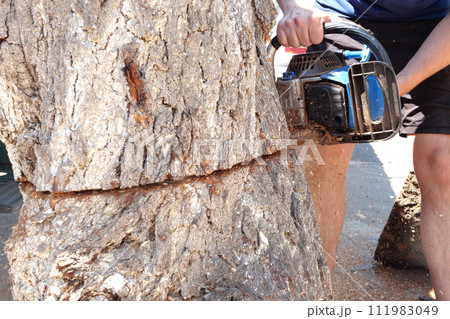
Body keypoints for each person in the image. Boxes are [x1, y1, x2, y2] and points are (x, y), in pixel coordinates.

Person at [275, 0, 450, 300]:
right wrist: (292, 7)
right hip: (346, 17)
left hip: (438, 25)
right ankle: (316, 297)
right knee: (325, 154)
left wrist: (394, 86)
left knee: (442, 163)